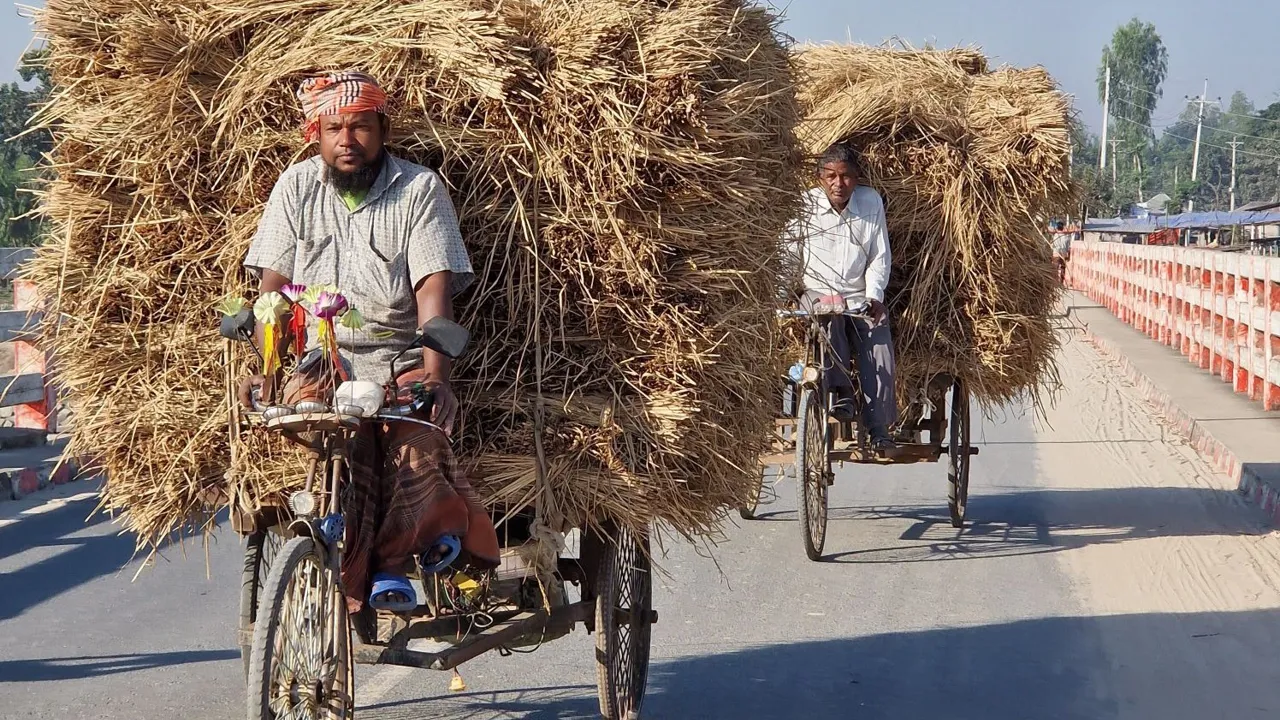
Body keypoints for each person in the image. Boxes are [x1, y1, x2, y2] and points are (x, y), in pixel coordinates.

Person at [239, 71, 499, 614]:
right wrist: (264, 368)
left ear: (383, 129)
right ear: (316, 134)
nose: (347, 140)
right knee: (313, 418)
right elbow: (273, 290)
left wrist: (435, 378)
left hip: (399, 352)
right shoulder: (295, 188)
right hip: (321, 353)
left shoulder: (418, 189)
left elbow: (433, 289)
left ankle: (390, 566)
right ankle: (331, 529)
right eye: (334, 128)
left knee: (415, 438)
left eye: (360, 127)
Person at [787, 142, 898, 453]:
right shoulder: (804, 205)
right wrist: (782, 297)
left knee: (877, 343)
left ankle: (879, 429)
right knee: (827, 316)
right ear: (820, 177)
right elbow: (788, 254)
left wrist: (874, 296)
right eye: (831, 176)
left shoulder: (870, 202)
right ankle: (841, 392)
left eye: (846, 176)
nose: (839, 183)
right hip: (817, 292)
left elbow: (879, 256)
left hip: (858, 294)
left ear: (857, 177)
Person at [1050, 220, 1071, 285]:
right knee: (1062, 268)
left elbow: (1052, 245)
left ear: (1057, 227)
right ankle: (1061, 282)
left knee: (1055, 268)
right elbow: (1068, 248)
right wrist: (1068, 256)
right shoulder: (1066, 237)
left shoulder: (1055, 236)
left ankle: (1054, 282)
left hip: (1056, 253)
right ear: (1063, 227)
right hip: (1063, 254)